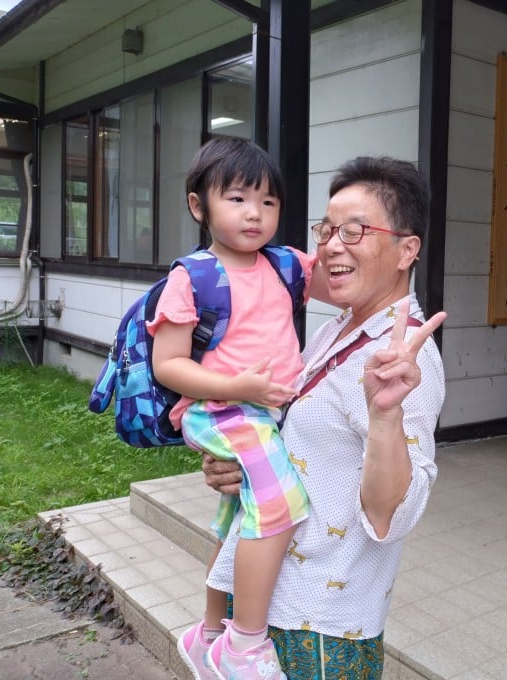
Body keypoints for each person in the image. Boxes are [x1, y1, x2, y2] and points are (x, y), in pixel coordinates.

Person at [202, 156, 446, 680]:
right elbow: (301, 445)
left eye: (354, 231)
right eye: (327, 229)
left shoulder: (408, 361)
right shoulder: (337, 329)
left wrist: (386, 418)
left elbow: (391, 518)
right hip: (266, 605)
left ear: (408, 249)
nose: (332, 245)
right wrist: (236, 465)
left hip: (318, 631)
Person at [150, 137, 323, 680]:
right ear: (199, 206)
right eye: (238, 198)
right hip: (221, 409)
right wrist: (240, 387)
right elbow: (169, 365)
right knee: (281, 506)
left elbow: (346, 279)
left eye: (268, 202)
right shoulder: (193, 278)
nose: (255, 213)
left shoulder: (285, 265)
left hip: (261, 413)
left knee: (237, 521)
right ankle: (244, 647)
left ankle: (207, 634)